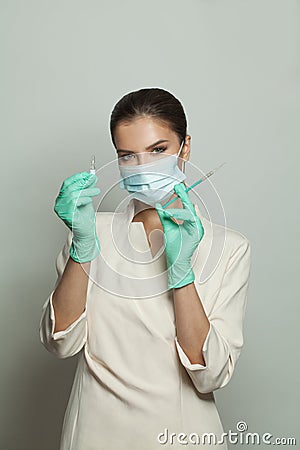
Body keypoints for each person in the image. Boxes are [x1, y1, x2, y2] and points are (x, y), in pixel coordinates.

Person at [39, 87, 251, 450]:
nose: (144, 167)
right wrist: (83, 247)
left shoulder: (229, 248)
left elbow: (210, 374)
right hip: (93, 433)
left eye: (158, 150)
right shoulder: (91, 231)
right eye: (128, 155)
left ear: (185, 148)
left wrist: (181, 274)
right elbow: (60, 342)